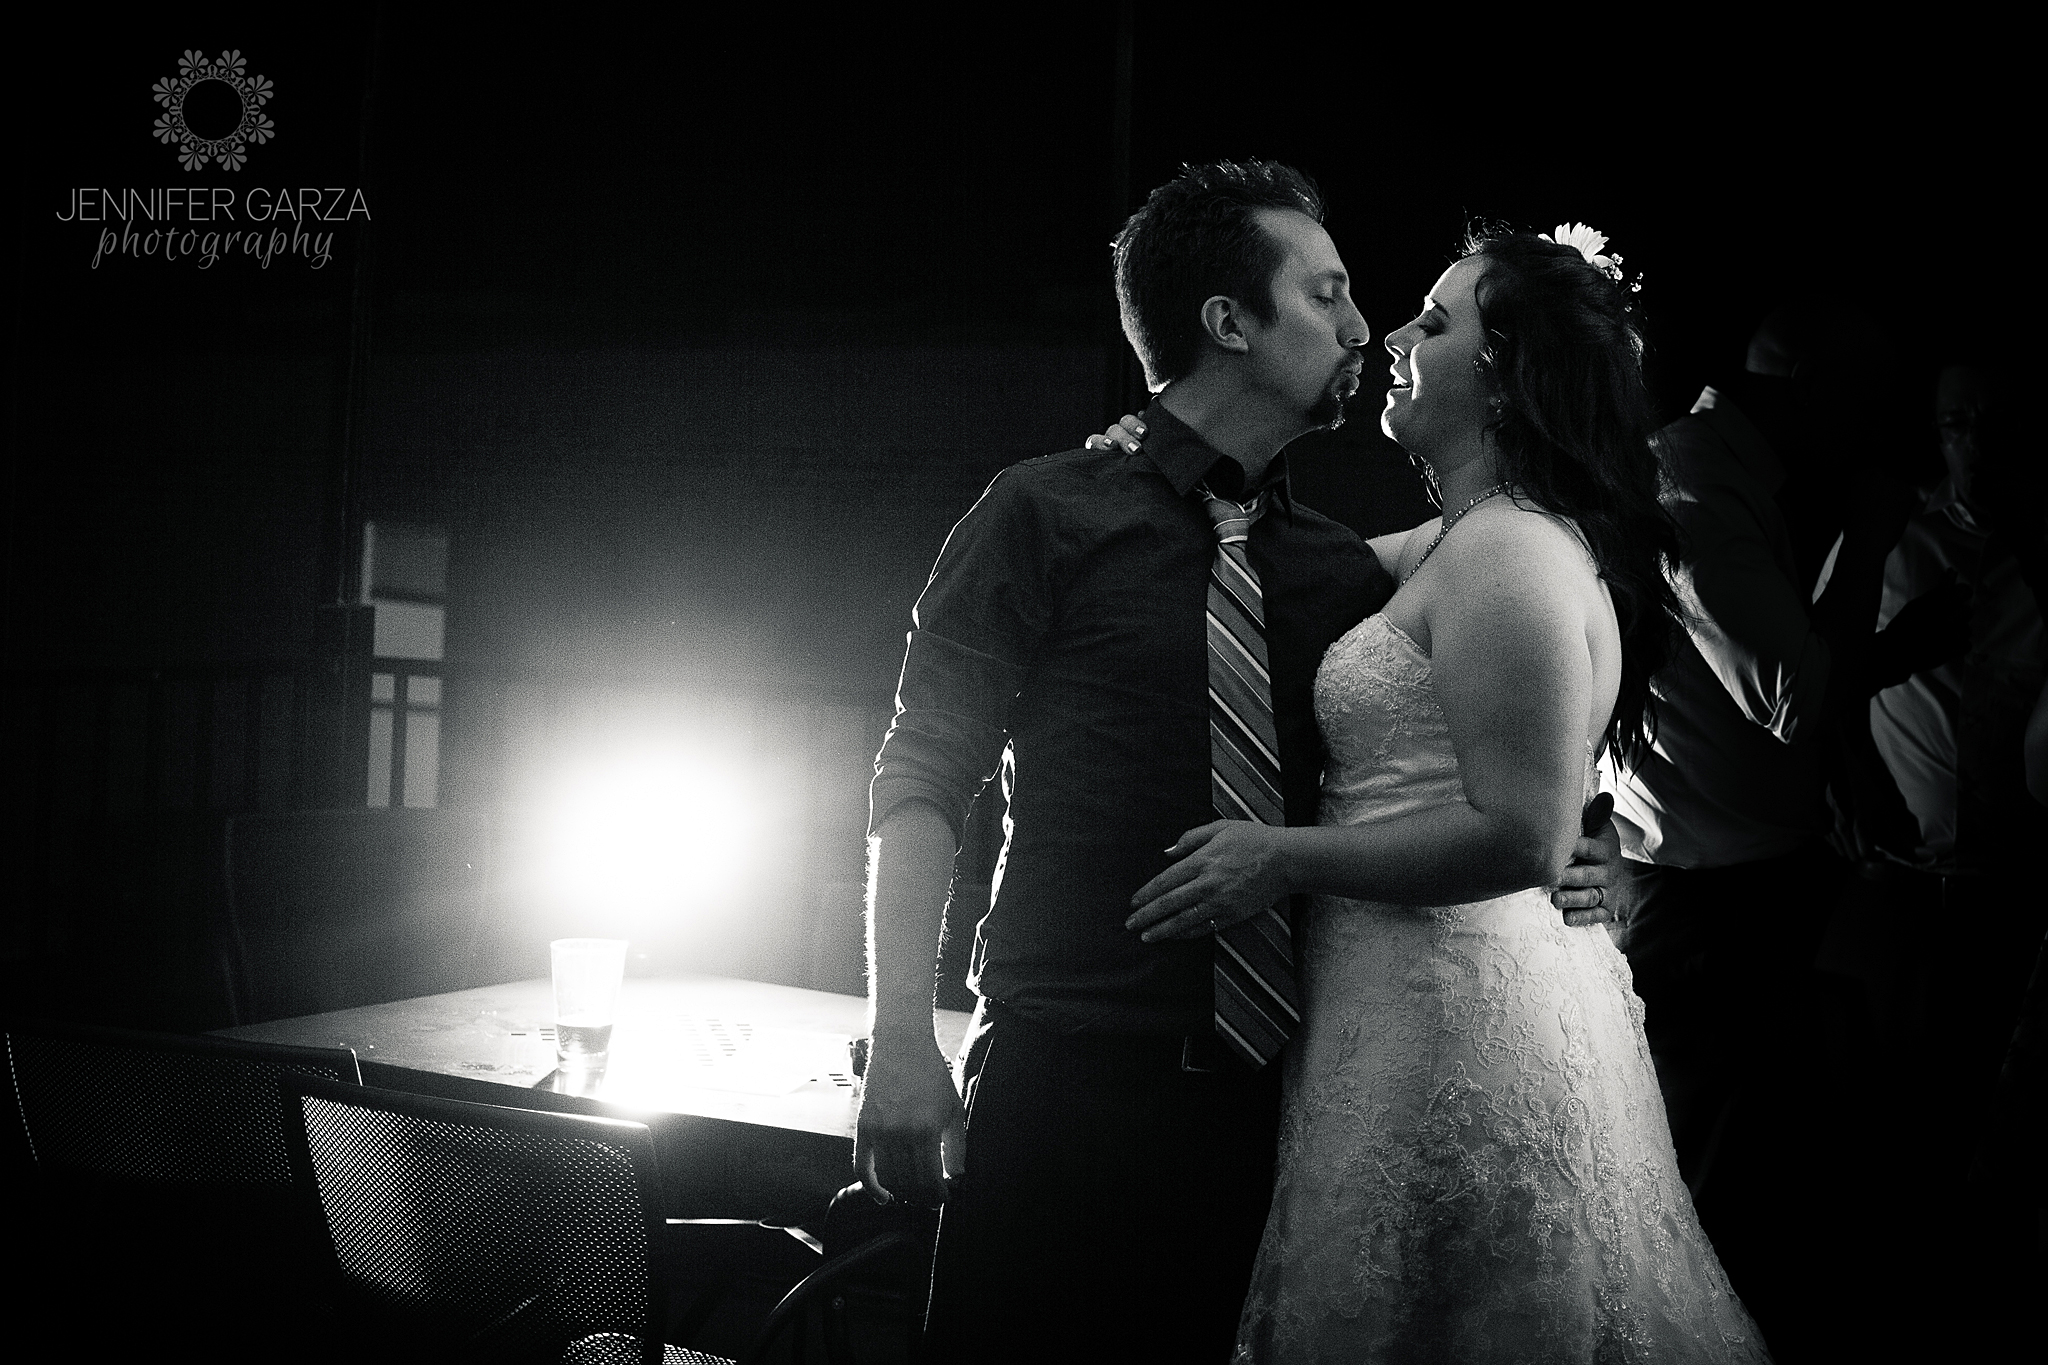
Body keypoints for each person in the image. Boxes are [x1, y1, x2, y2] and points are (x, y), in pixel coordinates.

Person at [853, 162, 1621, 1363]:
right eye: (1326, 295)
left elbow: (1487, 673)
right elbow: (918, 776)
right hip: (1064, 1071)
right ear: (1228, 322)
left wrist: (1583, 830)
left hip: (1276, 1097)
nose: (1363, 328)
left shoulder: (1339, 570)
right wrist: (900, 1038)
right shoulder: (1037, 513)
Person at [1121, 224, 1771, 1360]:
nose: (1396, 337)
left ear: (1506, 376)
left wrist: (1275, 856)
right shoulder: (1449, 544)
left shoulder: (1510, 556)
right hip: (1398, 1001)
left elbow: (1518, 835)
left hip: (1456, 1024)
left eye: (1436, 318)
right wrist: (1152, 460)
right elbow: (1270, 564)